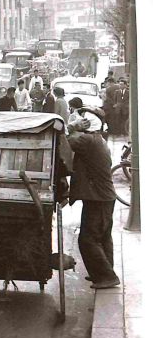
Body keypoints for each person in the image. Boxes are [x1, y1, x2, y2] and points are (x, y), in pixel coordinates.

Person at [66, 116, 120, 289]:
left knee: (88, 239)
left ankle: (106, 276)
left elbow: (66, 139)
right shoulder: (98, 140)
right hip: (102, 197)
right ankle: (103, 272)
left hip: (98, 198)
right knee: (102, 237)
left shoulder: (87, 140)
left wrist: (72, 126)